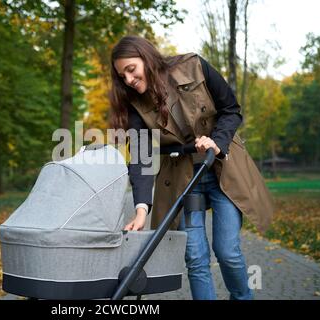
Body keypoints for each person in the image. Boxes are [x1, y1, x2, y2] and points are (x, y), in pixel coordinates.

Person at [109, 35, 274, 300]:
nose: (128, 80)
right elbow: (139, 155)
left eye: (131, 69)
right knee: (196, 257)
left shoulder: (194, 65)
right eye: (122, 76)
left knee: (228, 252)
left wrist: (217, 142)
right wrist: (141, 208)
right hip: (184, 181)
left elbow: (231, 109)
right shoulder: (134, 105)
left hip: (222, 170)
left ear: (147, 58)